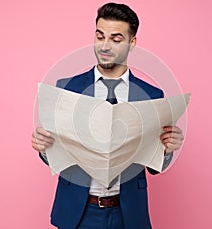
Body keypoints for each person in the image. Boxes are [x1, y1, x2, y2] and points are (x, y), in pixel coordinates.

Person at [31, 3, 184, 229]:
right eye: (100, 36)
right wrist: (44, 148)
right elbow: (57, 154)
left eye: (116, 39)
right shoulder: (67, 89)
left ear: (132, 43)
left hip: (128, 213)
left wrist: (168, 150)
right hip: (78, 212)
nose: (105, 46)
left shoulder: (152, 96)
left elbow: (154, 166)